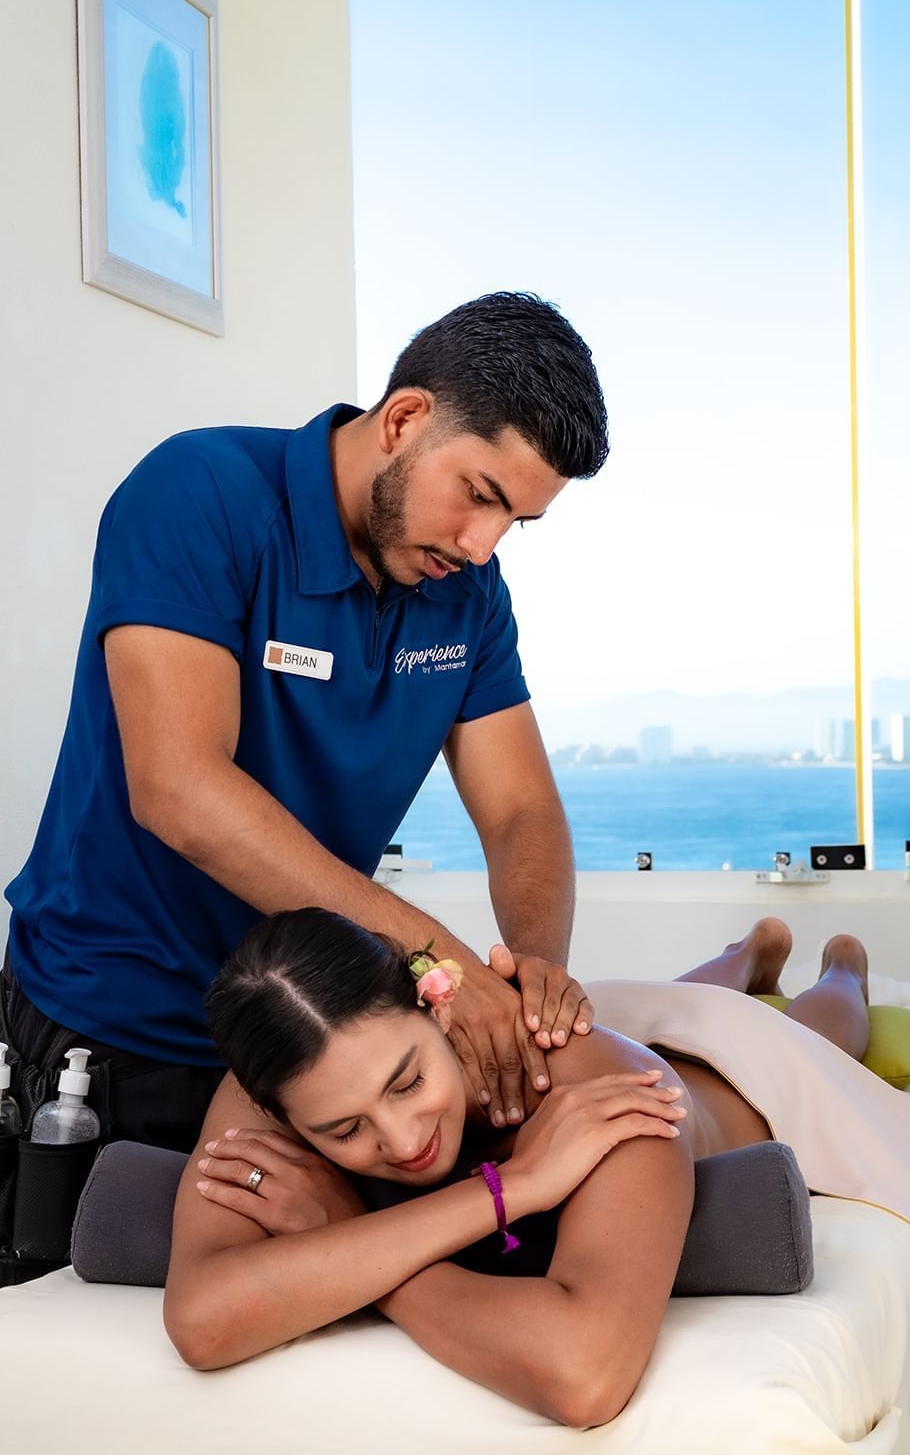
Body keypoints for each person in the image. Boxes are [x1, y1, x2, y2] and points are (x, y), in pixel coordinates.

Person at [2, 292, 610, 1151]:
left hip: (317, 1045)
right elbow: (179, 789)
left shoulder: (469, 597)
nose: (484, 545)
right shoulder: (199, 494)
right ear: (403, 419)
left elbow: (521, 811)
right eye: (479, 495)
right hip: (113, 1032)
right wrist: (434, 957)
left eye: (517, 521)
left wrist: (536, 965)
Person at [164, 910, 910, 1428]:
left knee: (810, 1032)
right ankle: (747, 953)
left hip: (741, 1079)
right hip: (616, 1022)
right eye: (344, 1129)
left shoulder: (606, 1092)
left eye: (409, 1082)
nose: (401, 1139)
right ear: (280, 1113)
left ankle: (838, 963)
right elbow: (201, 1321)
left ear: (440, 1009)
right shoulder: (284, 1075)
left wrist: (356, 1239)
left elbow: (586, 1377)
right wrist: (509, 1191)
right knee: (669, 999)